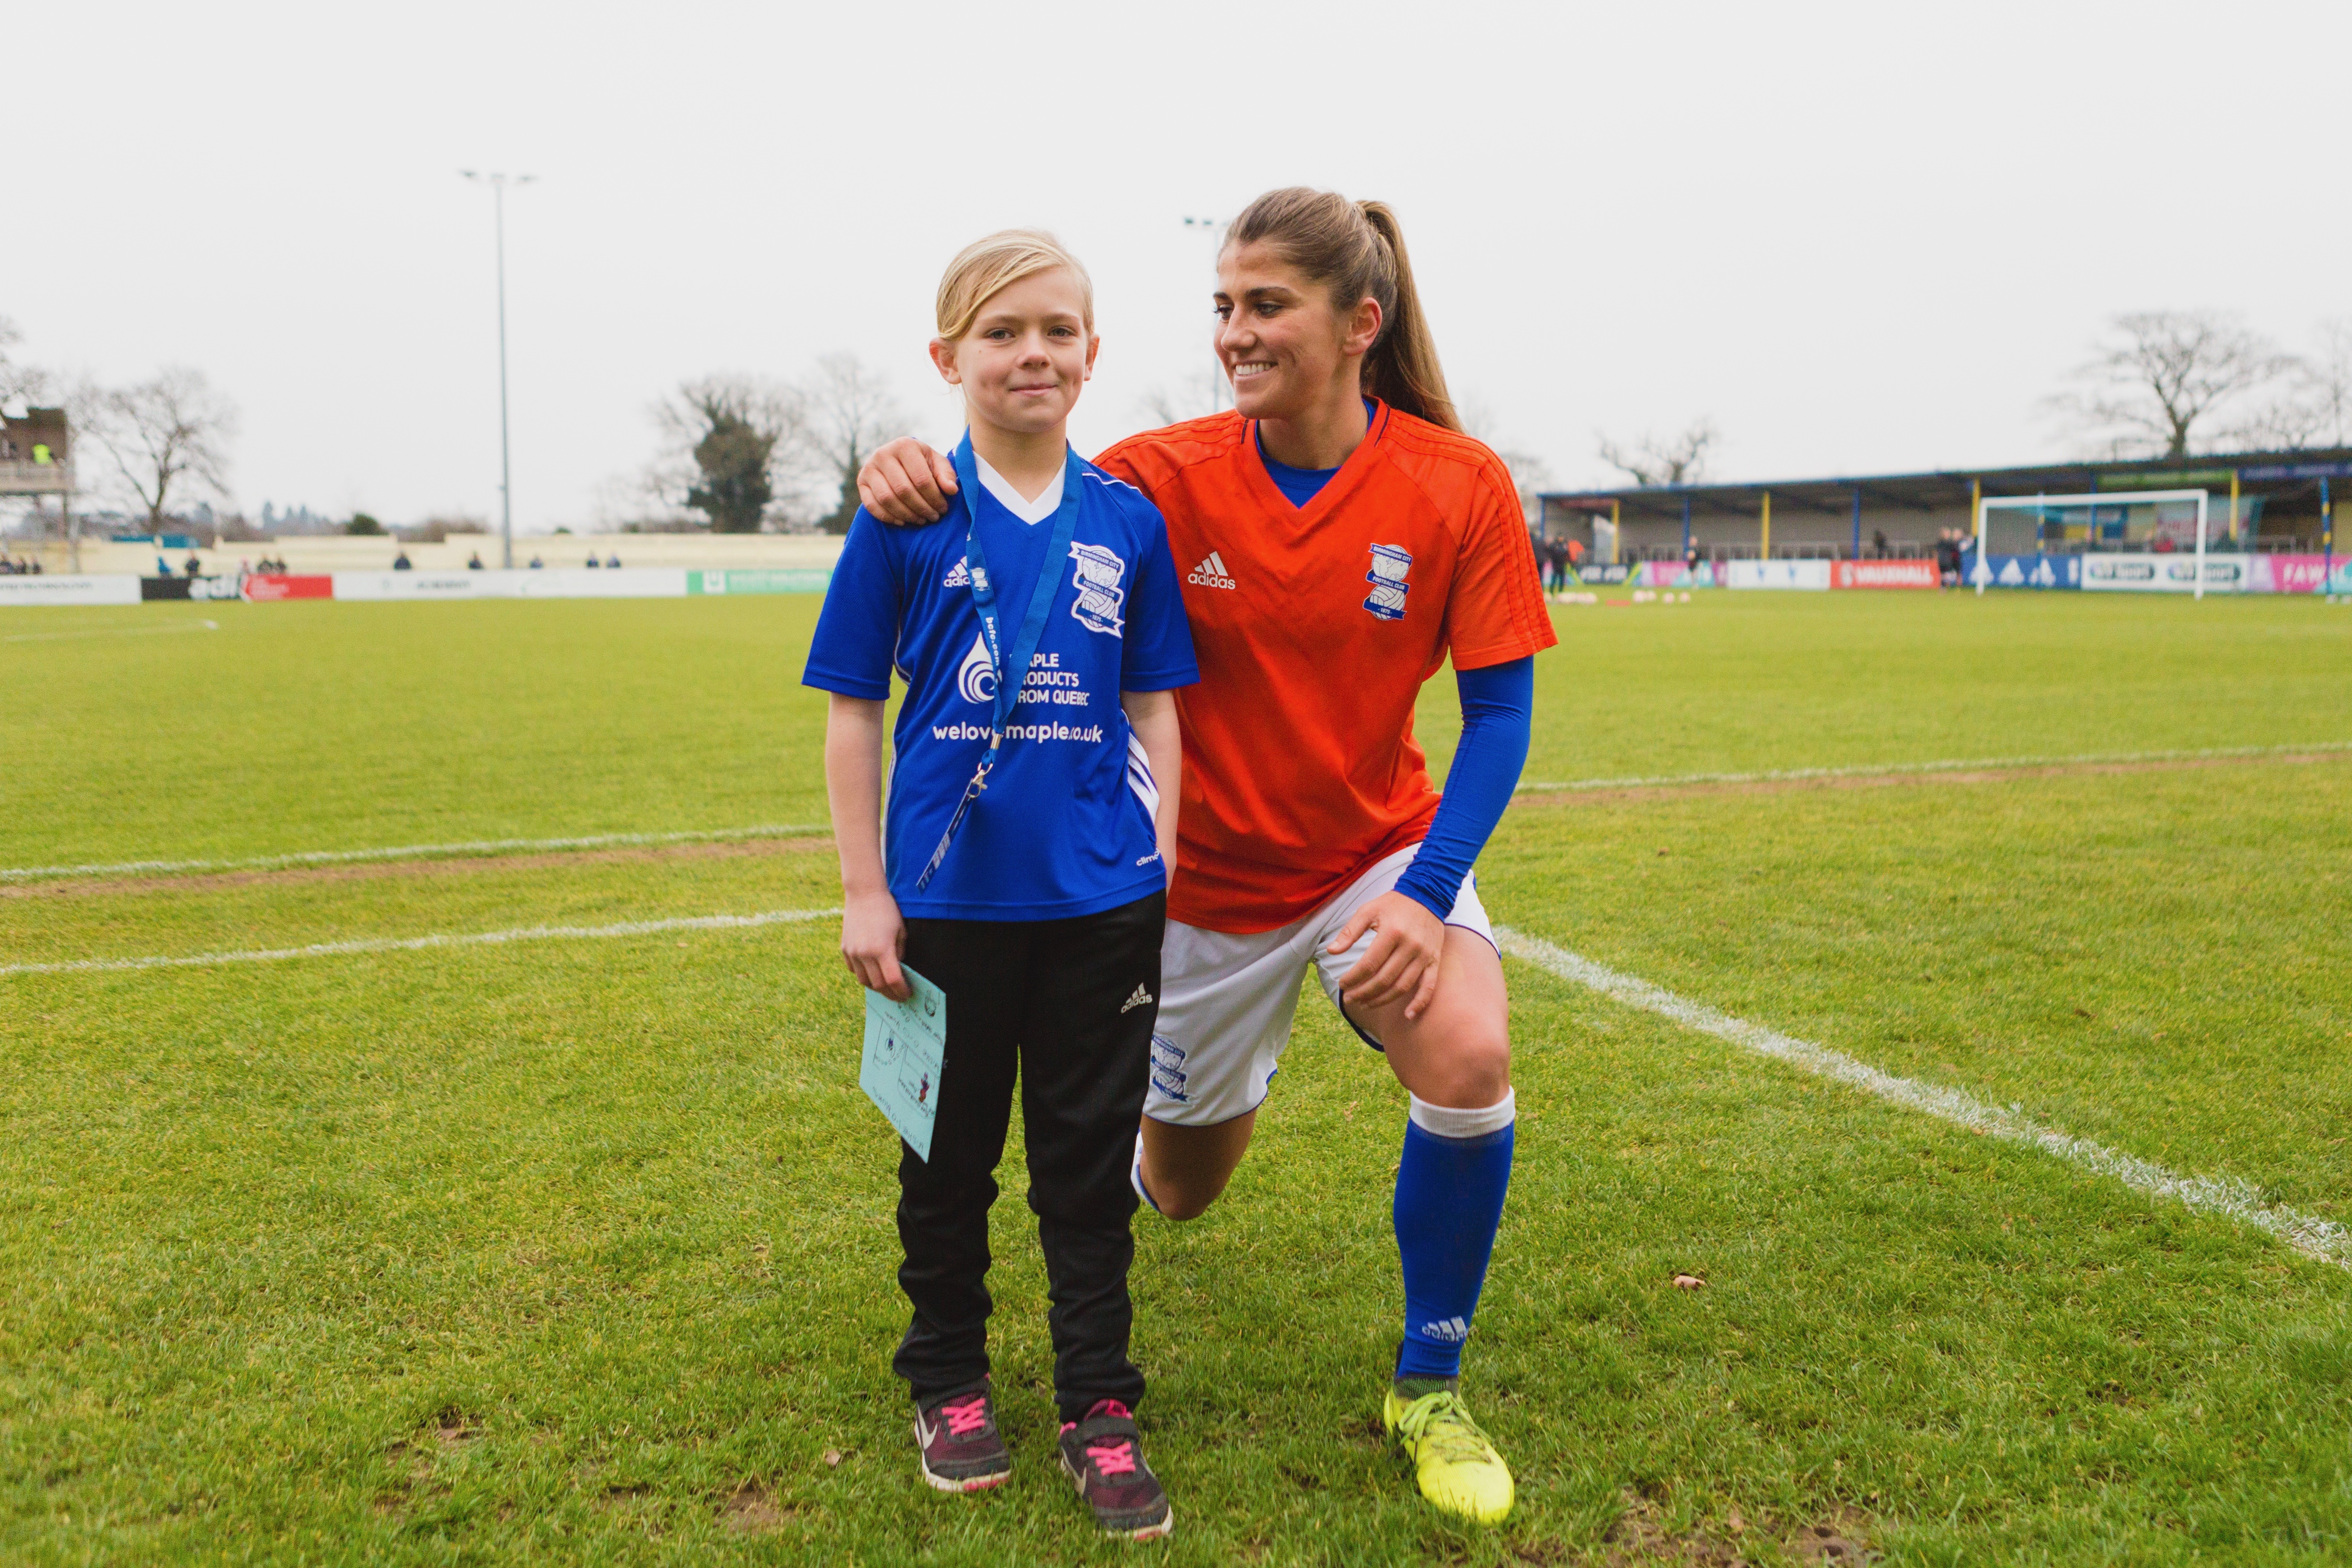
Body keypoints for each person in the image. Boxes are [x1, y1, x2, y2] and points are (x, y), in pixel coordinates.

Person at [858, 188, 1554, 1525]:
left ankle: (1429, 1380)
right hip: (1199, 896)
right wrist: (908, 467)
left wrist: (1423, 894)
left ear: (1360, 323)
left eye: (1265, 305)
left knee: (1467, 1054)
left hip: (1373, 860)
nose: (1234, 332)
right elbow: (1017, 481)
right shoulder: (1157, 479)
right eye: (1223, 306)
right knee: (1176, 1195)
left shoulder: (1456, 483)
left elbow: (1501, 715)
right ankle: (1181, 1118)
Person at [806, 231, 1195, 1540]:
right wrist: (866, 891)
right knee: (947, 1160)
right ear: (947, 359)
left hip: (1098, 908)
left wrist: (1162, 857)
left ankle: (1097, 1401)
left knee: (1085, 1170)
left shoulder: (1125, 522)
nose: (1032, 353)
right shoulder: (904, 516)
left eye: (1057, 331)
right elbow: (854, 713)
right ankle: (951, 1381)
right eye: (1001, 332)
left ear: (1093, 356)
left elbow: (1153, 705)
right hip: (944, 909)